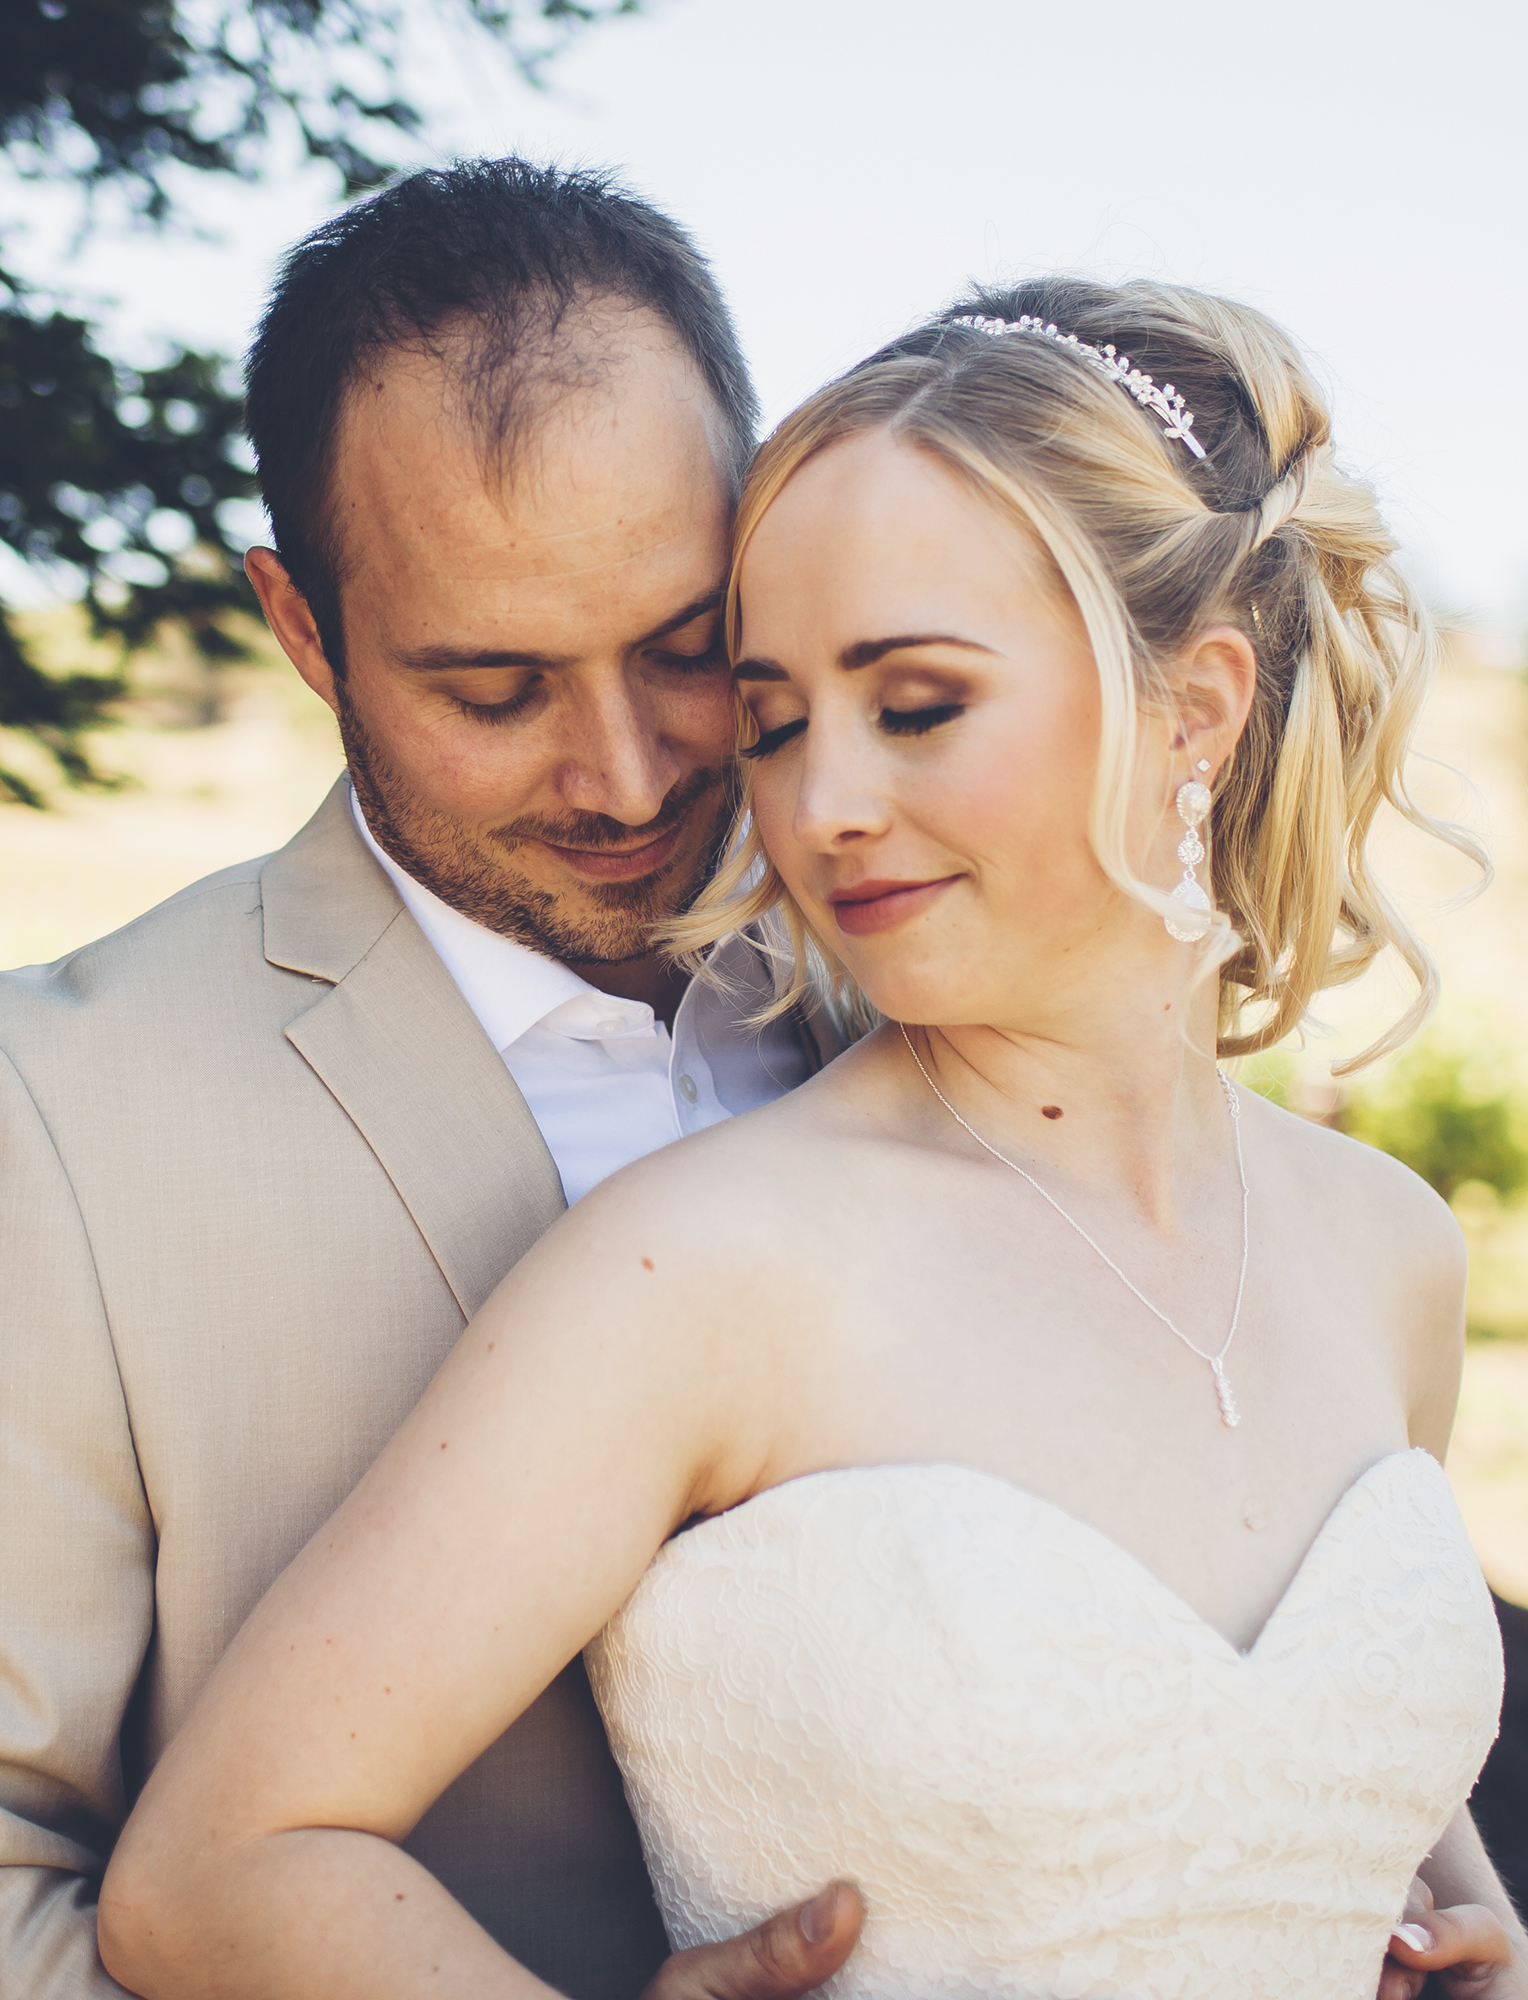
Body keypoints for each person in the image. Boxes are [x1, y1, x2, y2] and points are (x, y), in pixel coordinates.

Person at [96, 280, 1528, 1998]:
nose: (817, 806)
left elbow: (1307, 1730)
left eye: (915, 703)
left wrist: (1459, 1904)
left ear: (1200, 707)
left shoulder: (1392, 1252)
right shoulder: (696, 1268)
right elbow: (206, 1877)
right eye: (772, 719)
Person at [0, 159, 859, 2000]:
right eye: (493, 689)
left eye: (686, 646)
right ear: (307, 633)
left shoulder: (931, 987)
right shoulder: (47, 1120)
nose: (626, 778)